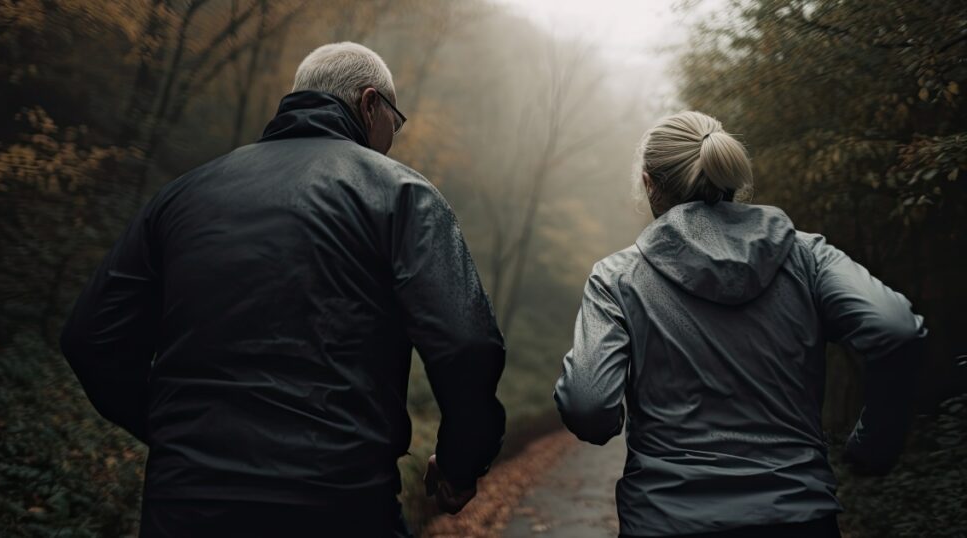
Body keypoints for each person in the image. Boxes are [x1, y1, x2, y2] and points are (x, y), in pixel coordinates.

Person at [61, 42, 505, 537]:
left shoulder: (181, 196)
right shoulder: (400, 194)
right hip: (338, 506)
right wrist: (463, 464)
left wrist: (176, 438)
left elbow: (89, 339)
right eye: (394, 123)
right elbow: (467, 344)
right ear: (369, 103)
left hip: (185, 507)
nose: (392, 140)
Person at [553, 111, 927, 537]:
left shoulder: (618, 277)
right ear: (727, 173)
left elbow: (587, 406)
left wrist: (606, 426)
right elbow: (897, 330)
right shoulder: (806, 257)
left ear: (649, 182)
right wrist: (874, 446)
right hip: (798, 517)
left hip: (666, 519)